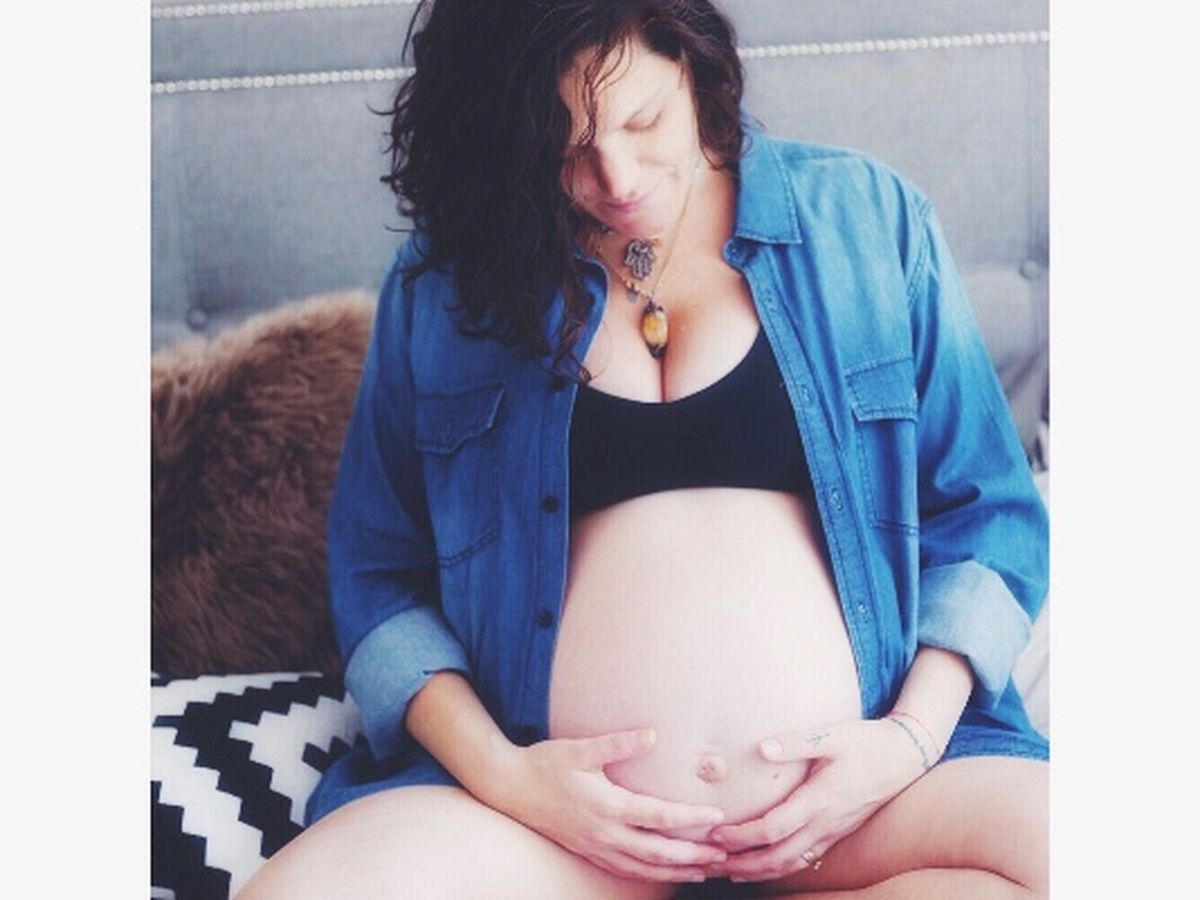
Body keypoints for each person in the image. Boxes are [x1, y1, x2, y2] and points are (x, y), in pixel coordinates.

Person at [239, 1, 1048, 897]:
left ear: (694, 68)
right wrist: (511, 778)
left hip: (866, 805)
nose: (615, 178)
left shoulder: (866, 221)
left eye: (644, 120)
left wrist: (908, 741)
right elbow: (379, 580)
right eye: (565, 148)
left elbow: (988, 520)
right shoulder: (450, 285)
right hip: (555, 827)